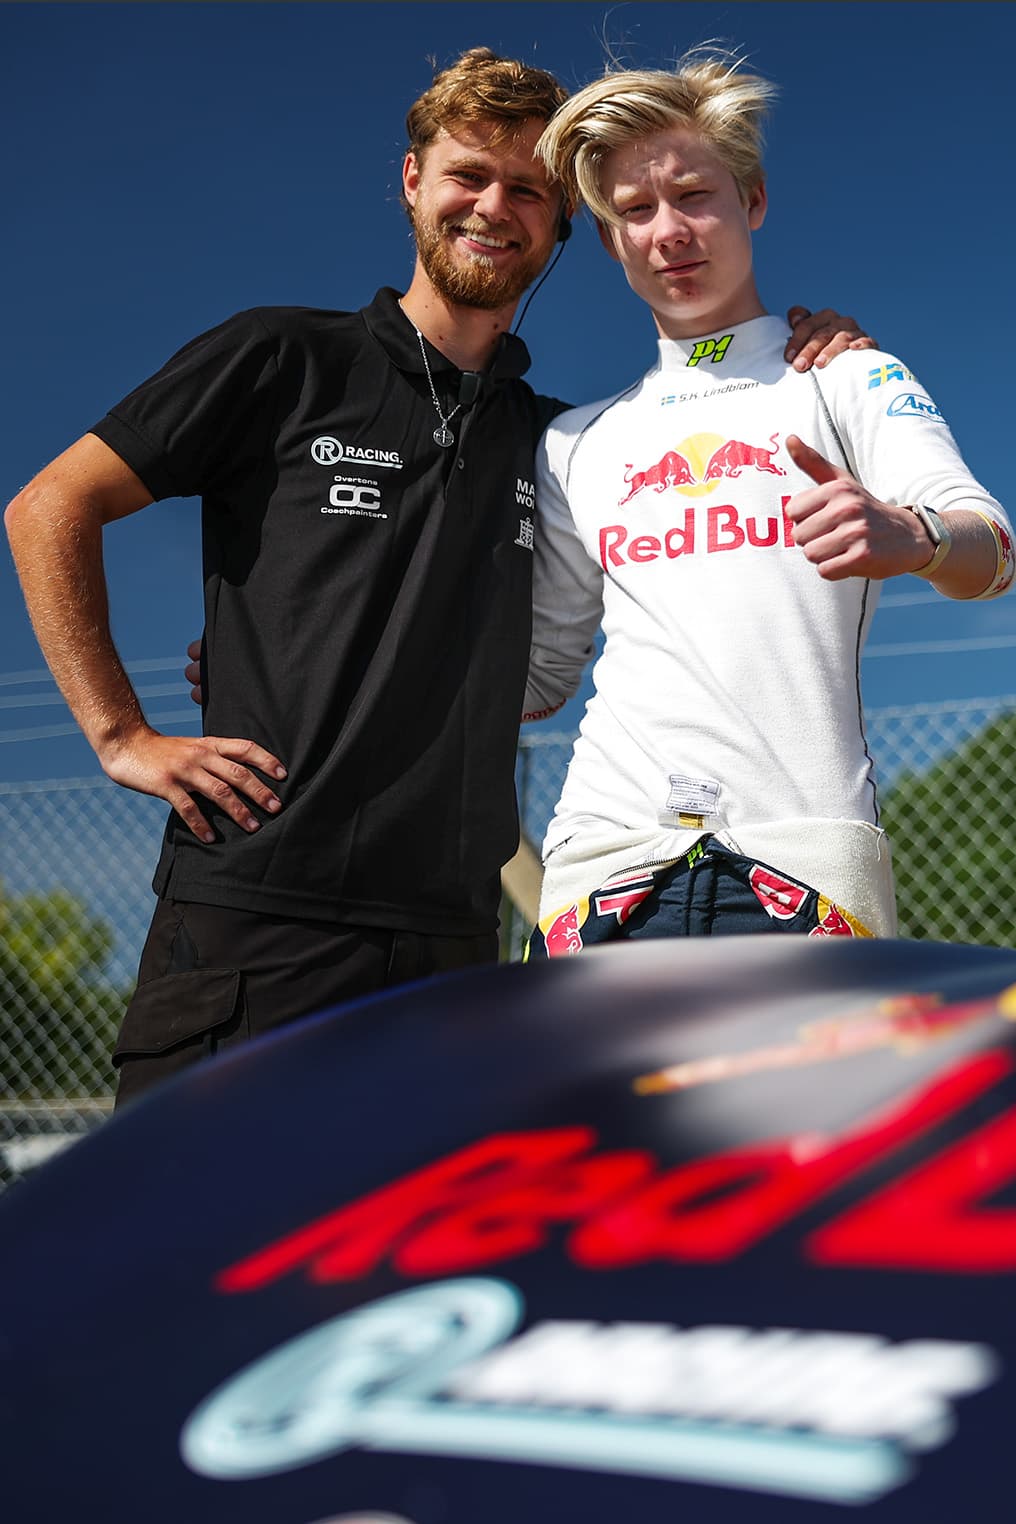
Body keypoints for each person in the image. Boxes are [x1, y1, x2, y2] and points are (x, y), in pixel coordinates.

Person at [5, 48, 869, 1104]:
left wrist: (795, 350)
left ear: (559, 226)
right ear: (412, 181)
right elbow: (50, 506)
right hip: (255, 919)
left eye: (527, 191)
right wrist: (120, 734)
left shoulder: (565, 448)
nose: (492, 207)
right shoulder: (281, 358)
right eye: (467, 174)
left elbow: (565, 658)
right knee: (191, 1258)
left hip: (453, 945)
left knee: (426, 1269)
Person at [524, 51, 1014, 957]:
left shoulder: (848, 377)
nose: (669, 230)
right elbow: (537, 679)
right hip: (601, 869)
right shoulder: (573, 444)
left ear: (751, 200)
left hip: (803, 867)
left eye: (694, 195)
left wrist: (915, 536)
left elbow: (994, 551)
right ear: (608, 240)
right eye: (635, 210)